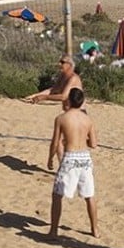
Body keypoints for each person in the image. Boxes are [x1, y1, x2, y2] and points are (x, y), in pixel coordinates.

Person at [47, 87, 98, 238]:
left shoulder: (62, 118)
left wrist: (50, 157)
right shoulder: (88, 119)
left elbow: (55, 142)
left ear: (69, 100)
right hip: (85, 157)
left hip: (70, 156)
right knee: (89, 195)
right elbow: (93, 144)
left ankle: (54, 230)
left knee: (57, 195)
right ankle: (95, 229)